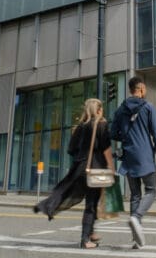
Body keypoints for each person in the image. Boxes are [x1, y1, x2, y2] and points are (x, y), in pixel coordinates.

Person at [33, 98, 114, 249]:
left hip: (80, 169)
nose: (102, 111)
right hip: (95, 169)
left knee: (90, 201)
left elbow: (70, 150)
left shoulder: (80, 127)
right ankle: (85, 239)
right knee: (91, 204)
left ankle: (90, 232)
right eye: (101, 109)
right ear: (98, 110)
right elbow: (105, 148)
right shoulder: (101, 124)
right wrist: (111, 165)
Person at [111, 76, 156, 249]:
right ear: (141, 89)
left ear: (130, 89)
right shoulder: (148, 107)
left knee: (135, 195)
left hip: (128, 157)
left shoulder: (120, 110)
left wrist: (127, 137)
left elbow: (113, 134)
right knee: (150, 191)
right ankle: (137, 217)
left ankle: (136, 239)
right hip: (145, 158)